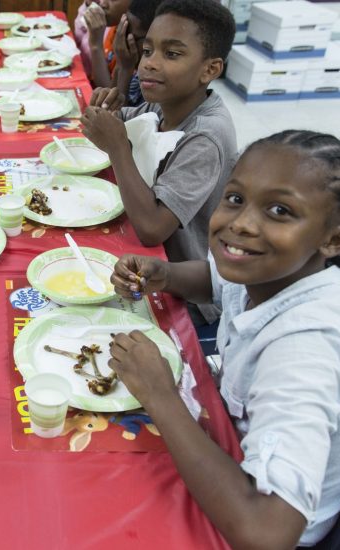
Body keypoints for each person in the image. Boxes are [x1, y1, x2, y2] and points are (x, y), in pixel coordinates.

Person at [108, 130, 340, 548]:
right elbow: (220, 283)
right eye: (235, 198)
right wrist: (164, 275)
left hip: (245, 516)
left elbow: (266, 534)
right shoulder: (273, 269)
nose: (240, 224)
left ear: (333, 240)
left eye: (279, 210)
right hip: (225, 439)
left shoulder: (305, 350)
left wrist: (160, 395)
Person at [80, 0, 237, 324]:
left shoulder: (205, 135)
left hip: (182, 289)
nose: (149, 64)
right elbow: (114, 124)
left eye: (172, 54)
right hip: (148, 260)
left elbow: (152, 229)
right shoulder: (165, 105)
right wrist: (103, 110)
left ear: (210, 69)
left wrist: (118, 147)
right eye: (148, 50)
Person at [112, 0, 161, 107]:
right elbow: (108, 103)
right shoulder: (136, 71)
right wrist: (120, 64)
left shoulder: (155, 79)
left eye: (130, 38)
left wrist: (125, 70)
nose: (123, 44)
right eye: (123, 34)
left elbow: (118, 120)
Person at [77, 0, 131, 88]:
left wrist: (96, 45)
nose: (103, 4)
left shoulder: (135, 41)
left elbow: (109, 94)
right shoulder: (115, 28)